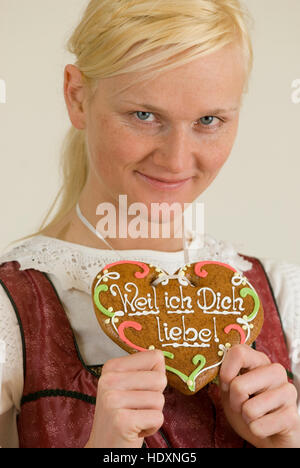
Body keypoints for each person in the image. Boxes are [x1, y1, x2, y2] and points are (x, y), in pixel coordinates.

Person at [0, 0, 300, 449]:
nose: (176, 160)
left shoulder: (282, 293)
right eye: (144, 115)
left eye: (208, 120)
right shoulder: (12, 306)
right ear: (77, 95)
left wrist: (285, 443)